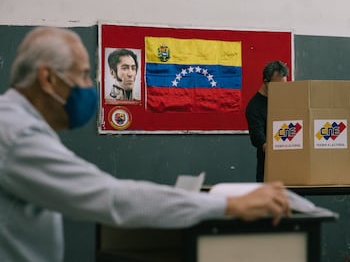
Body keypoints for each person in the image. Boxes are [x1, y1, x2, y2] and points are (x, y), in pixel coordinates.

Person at [0, 27, 291, 262]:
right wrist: (228, 205)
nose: (91, 85)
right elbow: (111, 199)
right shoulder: (17, 135)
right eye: (84, 74)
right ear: (48, 78)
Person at [245, 60, 289, 182]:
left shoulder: (289, 99)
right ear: (265, 82)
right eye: (277, 86)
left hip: (292, 167)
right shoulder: (254, 107)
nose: (281, 90)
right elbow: (261, 142)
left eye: (284, 85)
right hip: (269, 171)